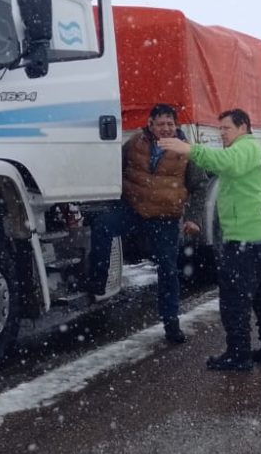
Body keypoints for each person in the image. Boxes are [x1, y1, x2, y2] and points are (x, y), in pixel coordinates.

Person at [157, 109, 261, 371]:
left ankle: (239, 355)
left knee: (234, 300)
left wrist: (190, 149)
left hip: (246, 239)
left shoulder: (245, 149)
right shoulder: (258, 151)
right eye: (220, 129)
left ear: (243, 127)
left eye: (226, 129)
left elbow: (223, 162)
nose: (221, 134)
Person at [88, 103, 208, 344]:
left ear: (176, 126)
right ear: (151, 124)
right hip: (133, 211)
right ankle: (98, 282)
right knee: (102, 226)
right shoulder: (134, 144)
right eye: (161, 124)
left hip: (165, 218)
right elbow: (114, 169)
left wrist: (194, 218)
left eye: (170, 124)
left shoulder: (187, 151)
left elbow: (200, 186)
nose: (166, 128)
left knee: (168, 269)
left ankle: (171, 324)